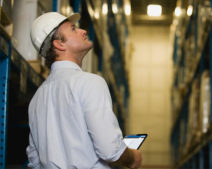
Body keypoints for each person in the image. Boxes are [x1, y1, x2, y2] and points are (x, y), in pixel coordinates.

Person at [26, 12, 142, 169]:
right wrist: (132, 157)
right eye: (73, 29)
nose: (83, 31)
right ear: (59, 44)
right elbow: (110, 150)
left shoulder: (36, 99)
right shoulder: (91, 83)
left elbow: (34, 161)